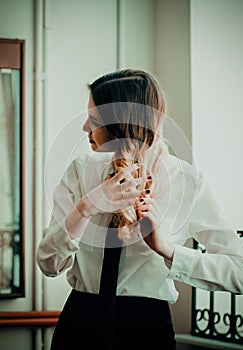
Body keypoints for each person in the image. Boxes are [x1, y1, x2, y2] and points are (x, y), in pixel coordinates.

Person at [37, 69, 243, 350]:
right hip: (79, 324)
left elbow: (239, 271)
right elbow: (48, 264)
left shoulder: (187, 182)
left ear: (122, 124)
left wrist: (169, 250)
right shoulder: (80, 171)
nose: (85, 127)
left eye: (94, 119)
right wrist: (87, 207)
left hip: (148, 331)